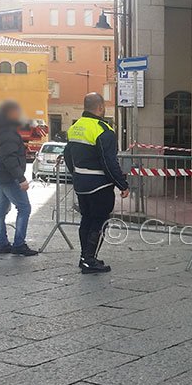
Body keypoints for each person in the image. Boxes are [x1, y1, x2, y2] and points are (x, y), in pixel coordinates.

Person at [64, 92, 130, 274]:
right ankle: (89, 260)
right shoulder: (103, 130)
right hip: (99, 185)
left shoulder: (75, 127)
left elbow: (67, 156)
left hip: (81, 184)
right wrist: (122, 184)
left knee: (86, 220)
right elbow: (109, 162)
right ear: (100, 107)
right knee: (99, 221)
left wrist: (76, 174)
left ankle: (84, 257)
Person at [0, 100, 38, 256]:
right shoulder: (7, 132)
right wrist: (21, 178)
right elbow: (9, 158)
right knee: (24, 208)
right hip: (9, 178)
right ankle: (18, 244)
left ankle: (2, 244)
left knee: (0, 212)